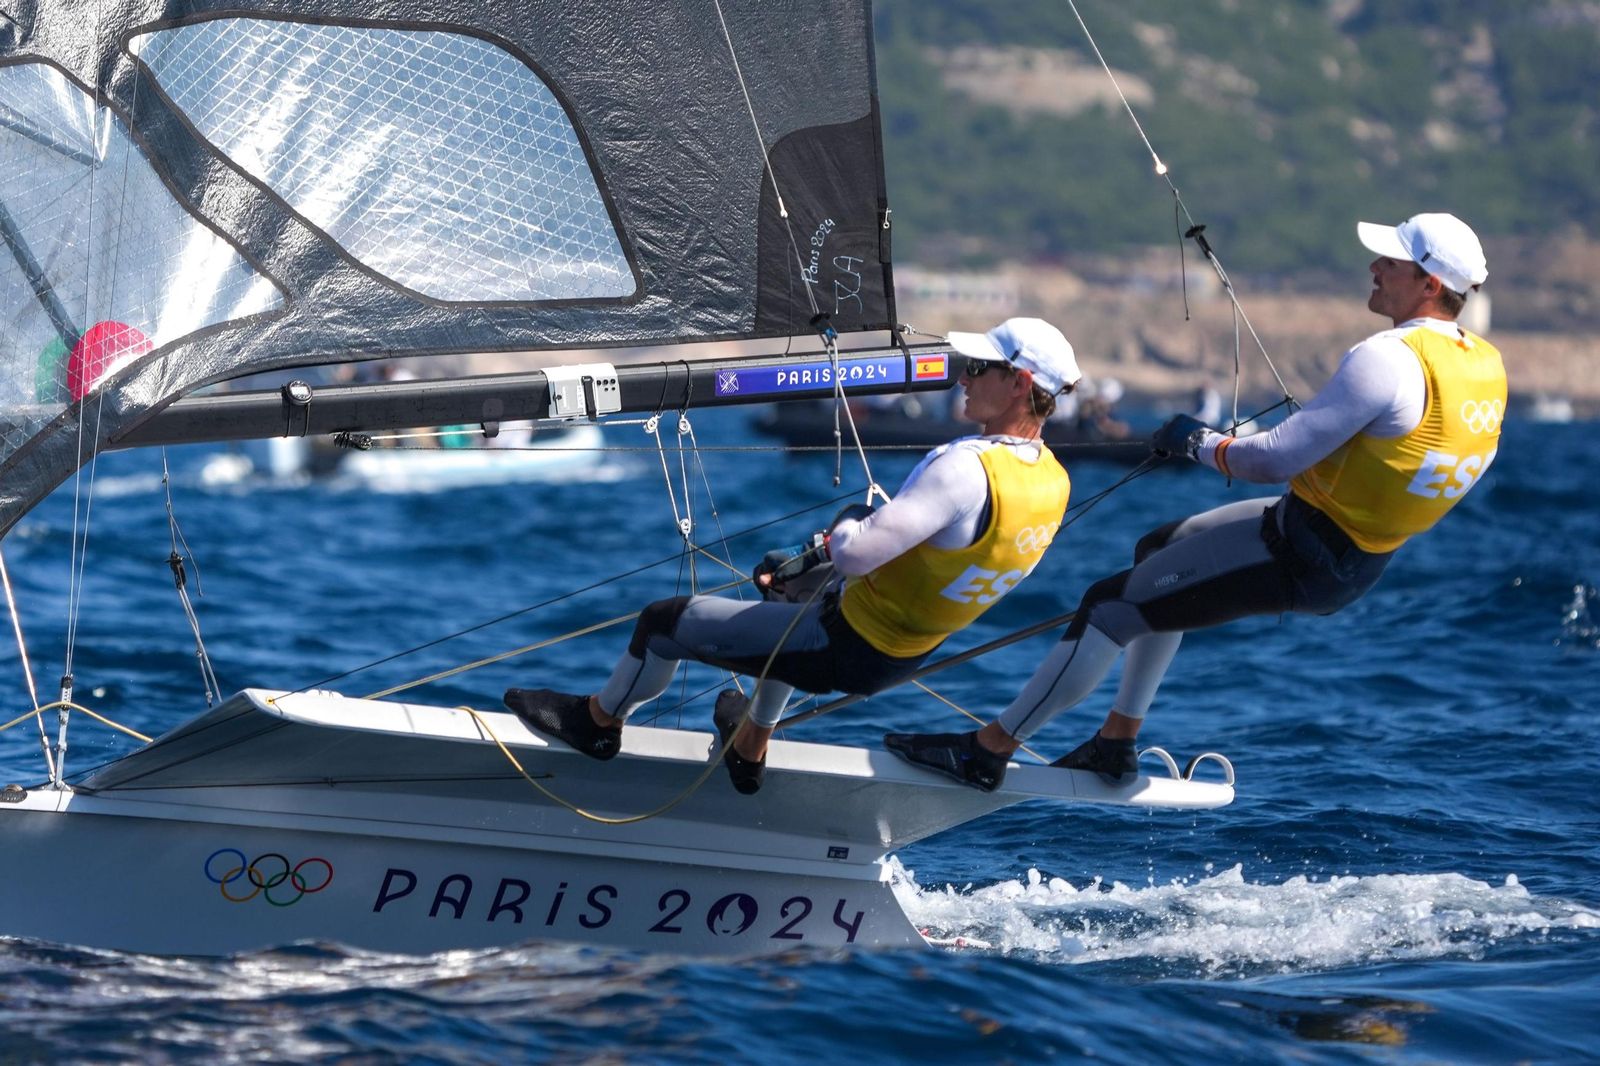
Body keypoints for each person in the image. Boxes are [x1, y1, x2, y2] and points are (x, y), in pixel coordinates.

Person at [885, 212, 1506, 791]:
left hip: (1303, 550)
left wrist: (1197, 442)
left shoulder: (1389, 359)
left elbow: (1270, 461)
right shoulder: (1484, 365)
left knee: (1108, 607)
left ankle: (987, 752)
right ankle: (1115, 742)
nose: (1374, 268)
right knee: (1159, 547)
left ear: (1429, 284)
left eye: (1390, 263)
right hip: (1350, 553)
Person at [505, 317, 1082, 794]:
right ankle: (750, 745)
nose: (963, 377)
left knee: (661, 622)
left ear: (1018, 382)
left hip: (842, 642)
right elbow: (947, 558)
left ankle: (597, 723)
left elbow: (855, 554)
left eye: (978, 368)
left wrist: (844, 523)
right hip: (901, 653)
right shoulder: (1052, 482)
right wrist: (818, 564)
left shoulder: (964, 468)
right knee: (784, 584)